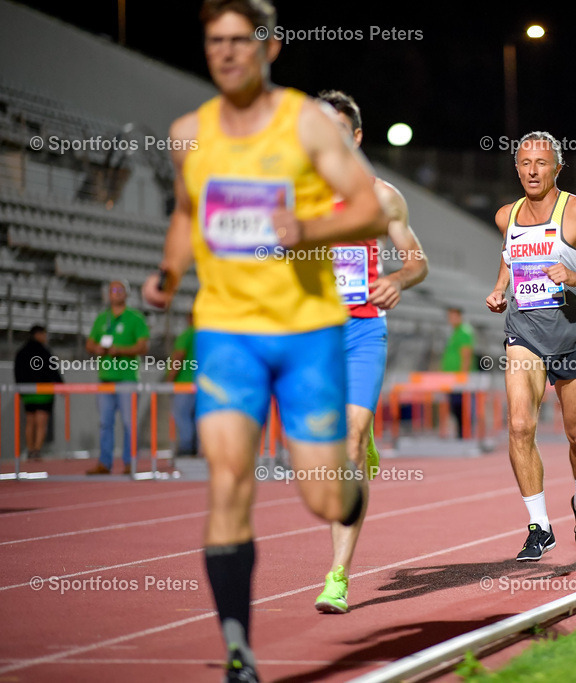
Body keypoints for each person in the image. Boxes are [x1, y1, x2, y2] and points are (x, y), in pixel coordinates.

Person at [141, 1, 386, 679]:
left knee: (324, 495)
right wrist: (167, 274)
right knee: (229, 479)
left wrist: (305, 230)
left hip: (307, 331)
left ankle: (351, 492)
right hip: (226, 332)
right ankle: (238, 649)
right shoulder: (188, 131)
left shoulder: (306, 123)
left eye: (239, 41)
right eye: (213, 40)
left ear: (270, 48)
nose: (225, 52)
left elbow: (365, 204)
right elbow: (188, 214)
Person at [486, 131, 576, 560]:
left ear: (557, 167)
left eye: (541, 163)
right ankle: (539, 525)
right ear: (516, 167)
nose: (532, 171)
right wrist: (499, 289)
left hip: (573, 334)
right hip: (525, 334)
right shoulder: (505, 216)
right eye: (524, 163)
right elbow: (509, 254)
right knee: (518, 426)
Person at [314, 89, 429, 614]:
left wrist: (400, 279)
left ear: (356, 137)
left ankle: (337, 575)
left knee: (351, 443)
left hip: (362, 330)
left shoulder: (383, 197)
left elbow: (417, 260)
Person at [85, 279, 150, 475]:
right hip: (105, 378)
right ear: (108, 294)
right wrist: (96, 348)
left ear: (127, 294)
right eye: (113, 289)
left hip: (127, 378)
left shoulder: (135, 318)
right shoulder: (101, 318)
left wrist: (120, 350)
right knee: (105, 423)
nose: (116, 292)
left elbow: (143, 346)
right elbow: (89, 343)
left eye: (120, 289)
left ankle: (131, 462)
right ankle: (105, 463)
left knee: (129, 423)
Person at [14, 324, 62, 459]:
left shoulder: (21, 351)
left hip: (27, 392)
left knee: (30, 421)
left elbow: (17, 372)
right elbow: (53, 370)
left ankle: (30, 450)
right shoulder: (44, 351)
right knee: (41, 422)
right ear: (38, 334)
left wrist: (20, 389)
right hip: (43, 391)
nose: (45, 337)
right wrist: (61, 385)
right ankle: (36, 451)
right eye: (44, 334)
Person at [166, 312, 198, 456]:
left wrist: (170, 379)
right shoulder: (206, 336)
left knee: (181, 415)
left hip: (184, 383)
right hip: (202, 384)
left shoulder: (187, 335)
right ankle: (195, 448)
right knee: (195, 418)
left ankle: (186, 448)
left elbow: (178, 357)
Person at [442, 307, 475, 438]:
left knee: (460, 406)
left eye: (453, 316)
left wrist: (463, 375)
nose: (451, 320)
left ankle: (464, 433)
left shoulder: (464, 332)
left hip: (459, 377)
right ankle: (461, 432)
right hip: (452, 377)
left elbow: (466, 354)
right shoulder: (455, 332)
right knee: (455, 406)